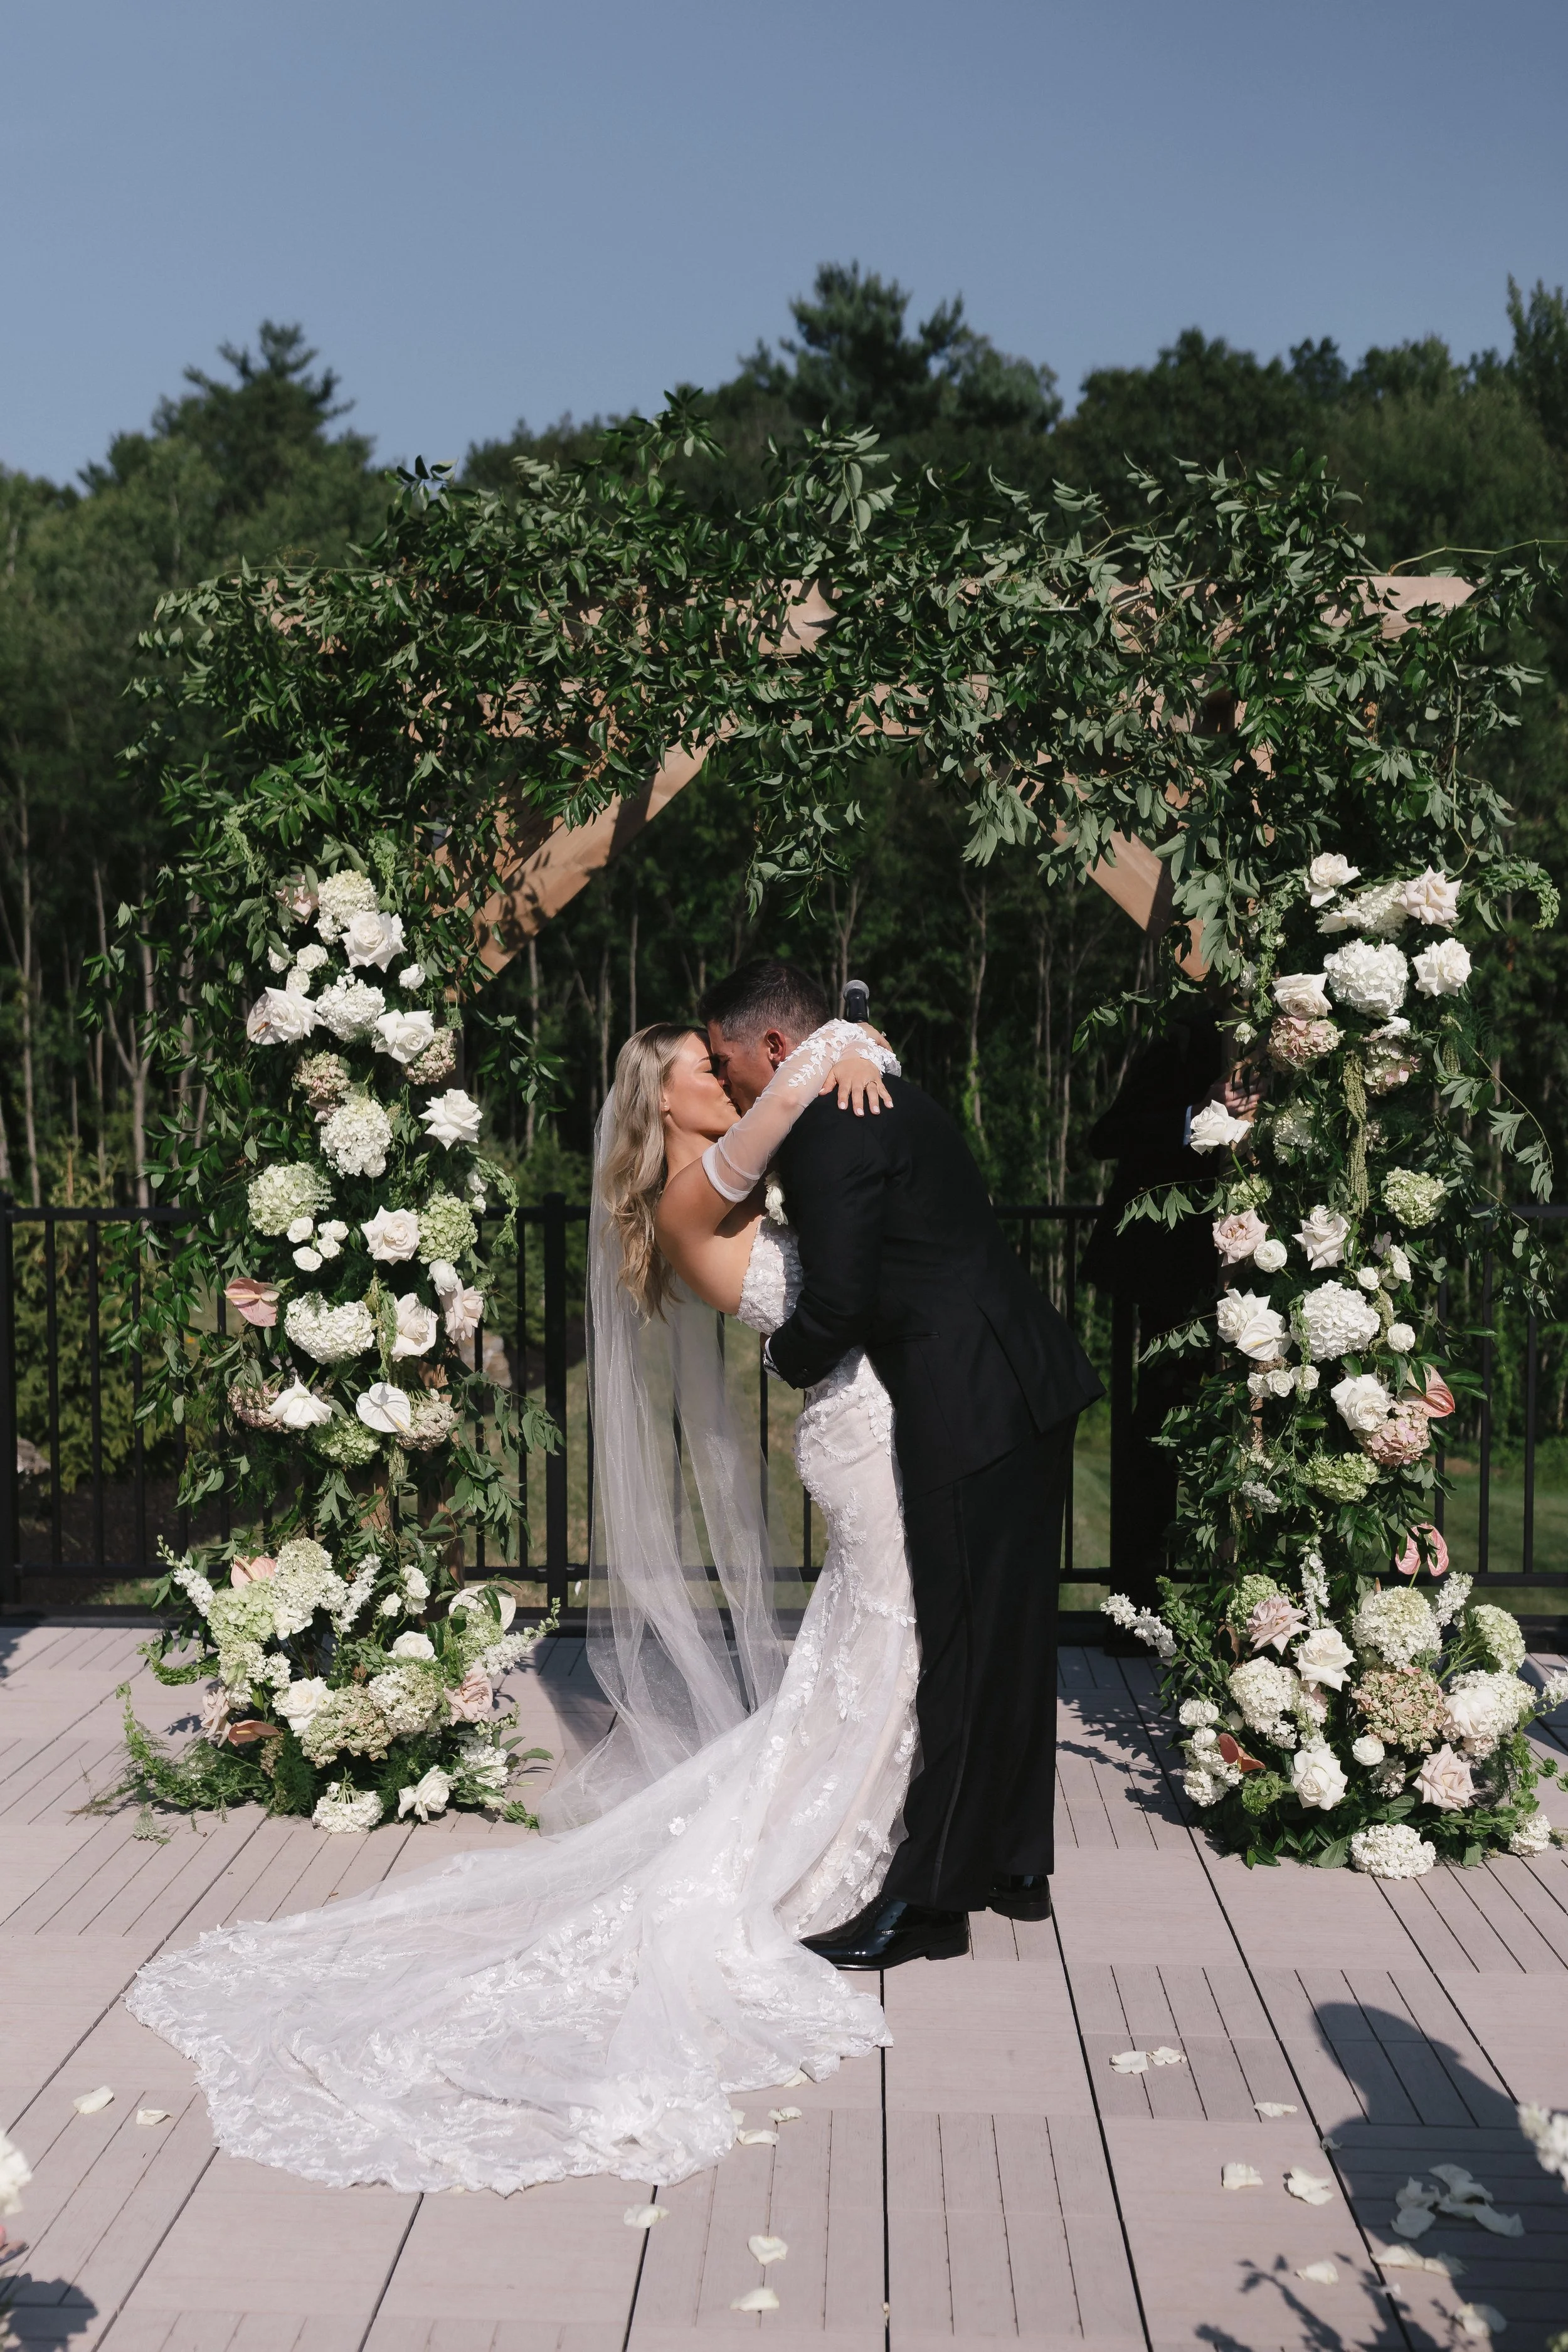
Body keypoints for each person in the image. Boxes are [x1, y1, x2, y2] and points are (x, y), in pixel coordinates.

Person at [125, 1010, 923, 2196]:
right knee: (881, 1643)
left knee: (867, 1654)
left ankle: (864, 1825)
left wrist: (836, 1059)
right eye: (711, 1067)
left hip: (870, 1421)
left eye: (730, 1062)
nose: (730, 1072)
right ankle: (833, 1847)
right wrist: (839, 1046)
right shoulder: (695, 1190)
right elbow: (796, 1095)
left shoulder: (731, 1173)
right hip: (855, 1429)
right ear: (666, 1104)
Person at [702, 960, 1103, 1968]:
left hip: (967, 1401)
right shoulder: (868, 1092)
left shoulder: (831, 1129)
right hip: (1022, 1381)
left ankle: (932, 1900)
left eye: (730, 1060)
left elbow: (835, 1303)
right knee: (1012, 1638)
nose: (731, 1083)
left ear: (777, 1048)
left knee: (964, 1651)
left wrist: (779, 1358)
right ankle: (1016, 1865)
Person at [1079, 1010, 1256, 1649]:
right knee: (1157, 1432)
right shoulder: (1179, 1047)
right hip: (1170, 1281)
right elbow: (1103, 1137)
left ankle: (1238, 1608)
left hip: (1256, 1278)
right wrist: (1198, 1117)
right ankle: (1135, 1604)